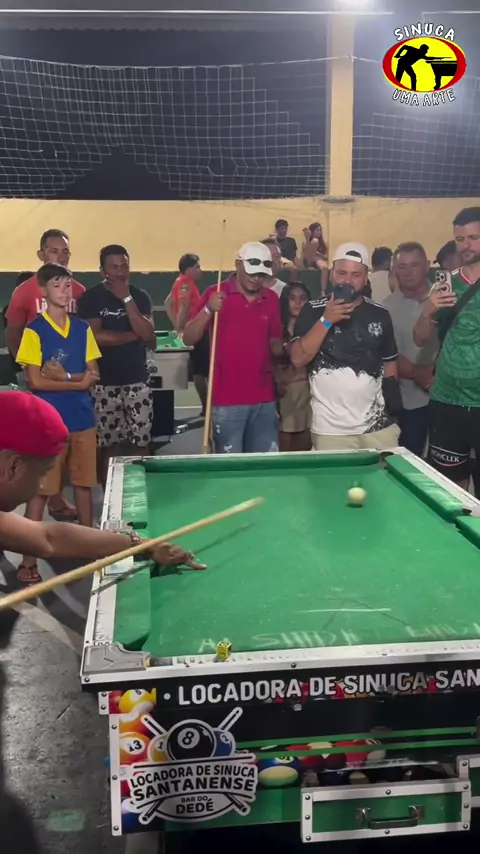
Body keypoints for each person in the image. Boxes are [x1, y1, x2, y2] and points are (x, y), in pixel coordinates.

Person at [15, 263, 101, 582]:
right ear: (43, 291)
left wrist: (66, 377)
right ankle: (28, 561)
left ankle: (89, 548)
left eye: (68, 285)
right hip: (48, 424)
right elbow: (35, 381)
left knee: (84, 485)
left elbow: (94, 374)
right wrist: (78, 382)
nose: (65, 291)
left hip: (82, 419)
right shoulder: (34, 331)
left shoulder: (82, 329)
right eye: (57, 285)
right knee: (40, 492)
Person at [5, 230, 85, 522]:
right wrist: (27, 366)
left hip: (70, 385)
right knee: (38, 447)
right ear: (41, 254)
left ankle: (57, 499)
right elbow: (13, 331)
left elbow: (83, 334)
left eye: (65, 252)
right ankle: (25, 525)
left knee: (66, 447)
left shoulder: (79, 290)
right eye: (54, 251)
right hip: (39, 384)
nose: (60, 256)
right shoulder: (25, 292)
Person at [291, 243, 400, 450]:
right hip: (330, 430)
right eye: (342, 273)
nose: (348, 281)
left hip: (377, 427)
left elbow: (390, 366)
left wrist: (394, 413)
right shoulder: (313, 310)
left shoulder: (380, 314)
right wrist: (326, 320)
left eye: (356, 275)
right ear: (332, 275)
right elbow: (298, 358)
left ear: (366, 278)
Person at [183, 241, 283, 453]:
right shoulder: (215, 293)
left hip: (264, 399)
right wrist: (208, 310)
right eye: (252, 273)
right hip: (226, 399)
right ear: (238, 265)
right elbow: (188, 339)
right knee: (229, 466)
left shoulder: (272, 299)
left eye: (261, 275)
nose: (256, 278)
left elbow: (275, 346)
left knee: (263, 465)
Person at [413, 207, 480, 490]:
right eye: (460, 239)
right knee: (451, 489)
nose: (466, 245)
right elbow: (419, 339)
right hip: (447, 401)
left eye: (473, 238)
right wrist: (428, 311)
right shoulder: (445, 284)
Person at [77, 245, 155, 486]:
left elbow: (149, 336)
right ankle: (109, 496)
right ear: (102, 271)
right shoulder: (90, 298)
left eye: (124, 266)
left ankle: (141, 492)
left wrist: (126, 298)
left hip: (137, 381)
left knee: (141, 442)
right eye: (114, 267)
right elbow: (95, 337)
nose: (120, 272)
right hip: (104, 382)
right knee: (108, 445)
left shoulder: (139, 296)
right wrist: (134, 335)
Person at [384, 243, 438, 457]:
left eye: (414, 265)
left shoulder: (446, 298)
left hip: (448, 397)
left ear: (426, 266)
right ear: (395, 270)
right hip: (409, 403)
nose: (408, 272)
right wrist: (419, 374)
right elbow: (387, 355)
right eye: (402, 266)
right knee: (411, 462)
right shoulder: (386, 308)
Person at [165, 253, 209, 415]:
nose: (200, 270)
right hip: (197, 333)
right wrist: (179, 329)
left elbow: (168, 303)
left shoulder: (179, 281)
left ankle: (206, 407)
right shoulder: (186, 284)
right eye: (197, 267)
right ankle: (207, 407)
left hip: (192, 331)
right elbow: (183, 307)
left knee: (199, 371)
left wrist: (178, 327)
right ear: (189, 269)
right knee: (202, 372)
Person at [275, 282, 312, 451]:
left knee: (304, 449)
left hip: (308, 393)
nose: (298, 303)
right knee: (284, 446)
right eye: (293, 298)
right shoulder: (277, 328)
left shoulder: (314, 329)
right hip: (284, 393)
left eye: (303, 299)